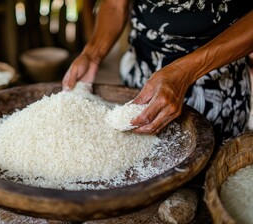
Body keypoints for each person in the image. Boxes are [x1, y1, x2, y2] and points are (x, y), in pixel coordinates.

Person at [62, 0, 253, 144]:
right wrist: (93, 53)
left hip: (218, 81)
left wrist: (183, 72)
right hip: (142, 71)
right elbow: (114, 4)